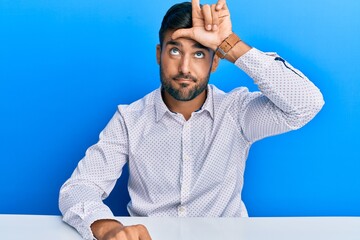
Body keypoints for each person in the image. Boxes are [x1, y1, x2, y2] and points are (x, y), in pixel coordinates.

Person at [59, 0, 324, 239]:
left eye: (199, 53)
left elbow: (306, 104)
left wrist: (229, 44)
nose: (185, 67)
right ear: (158, 54)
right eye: (175, 51)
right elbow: (80, 187)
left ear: (215, 63)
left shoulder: (238, 111)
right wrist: (107, 227)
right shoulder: (130, 119)